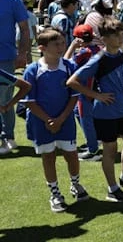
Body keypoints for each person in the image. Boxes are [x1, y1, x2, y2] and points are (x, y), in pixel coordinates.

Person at [66, 17, 123, 202]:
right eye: (115, 35)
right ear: (104, 38)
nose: (120, 38)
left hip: (121, 109)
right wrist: (97, 96)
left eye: (121, 34)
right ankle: (112, 190)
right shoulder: (98, 59)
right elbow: (72, 82)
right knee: (110, 150)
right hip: (104, 112)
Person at [21, 29, 88, 212]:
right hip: (41, 123)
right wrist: (49, 120)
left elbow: (74, 95)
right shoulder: (32, 70)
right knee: (48, 157)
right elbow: (29, 101)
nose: (61, 47)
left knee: (71, 154)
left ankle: (75, 184)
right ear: (42, 48)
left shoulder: (68, 67)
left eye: (62, 43)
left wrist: (61, 118)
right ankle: (55, 193)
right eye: (56, 44)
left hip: (65, 121)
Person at [64, 24, 102, 161]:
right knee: (78, 114)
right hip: (92, 89)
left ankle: (93, 150)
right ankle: (94, 140)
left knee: (85, 119)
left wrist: (72, 47)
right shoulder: (98, 49)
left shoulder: (84, 52)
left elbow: (66, 62)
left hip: (84, 91)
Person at [0, 0, 29, 154]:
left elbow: (24, 29)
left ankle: (8, 137)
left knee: (4, 98)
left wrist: (22, 53)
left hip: (5, 57)